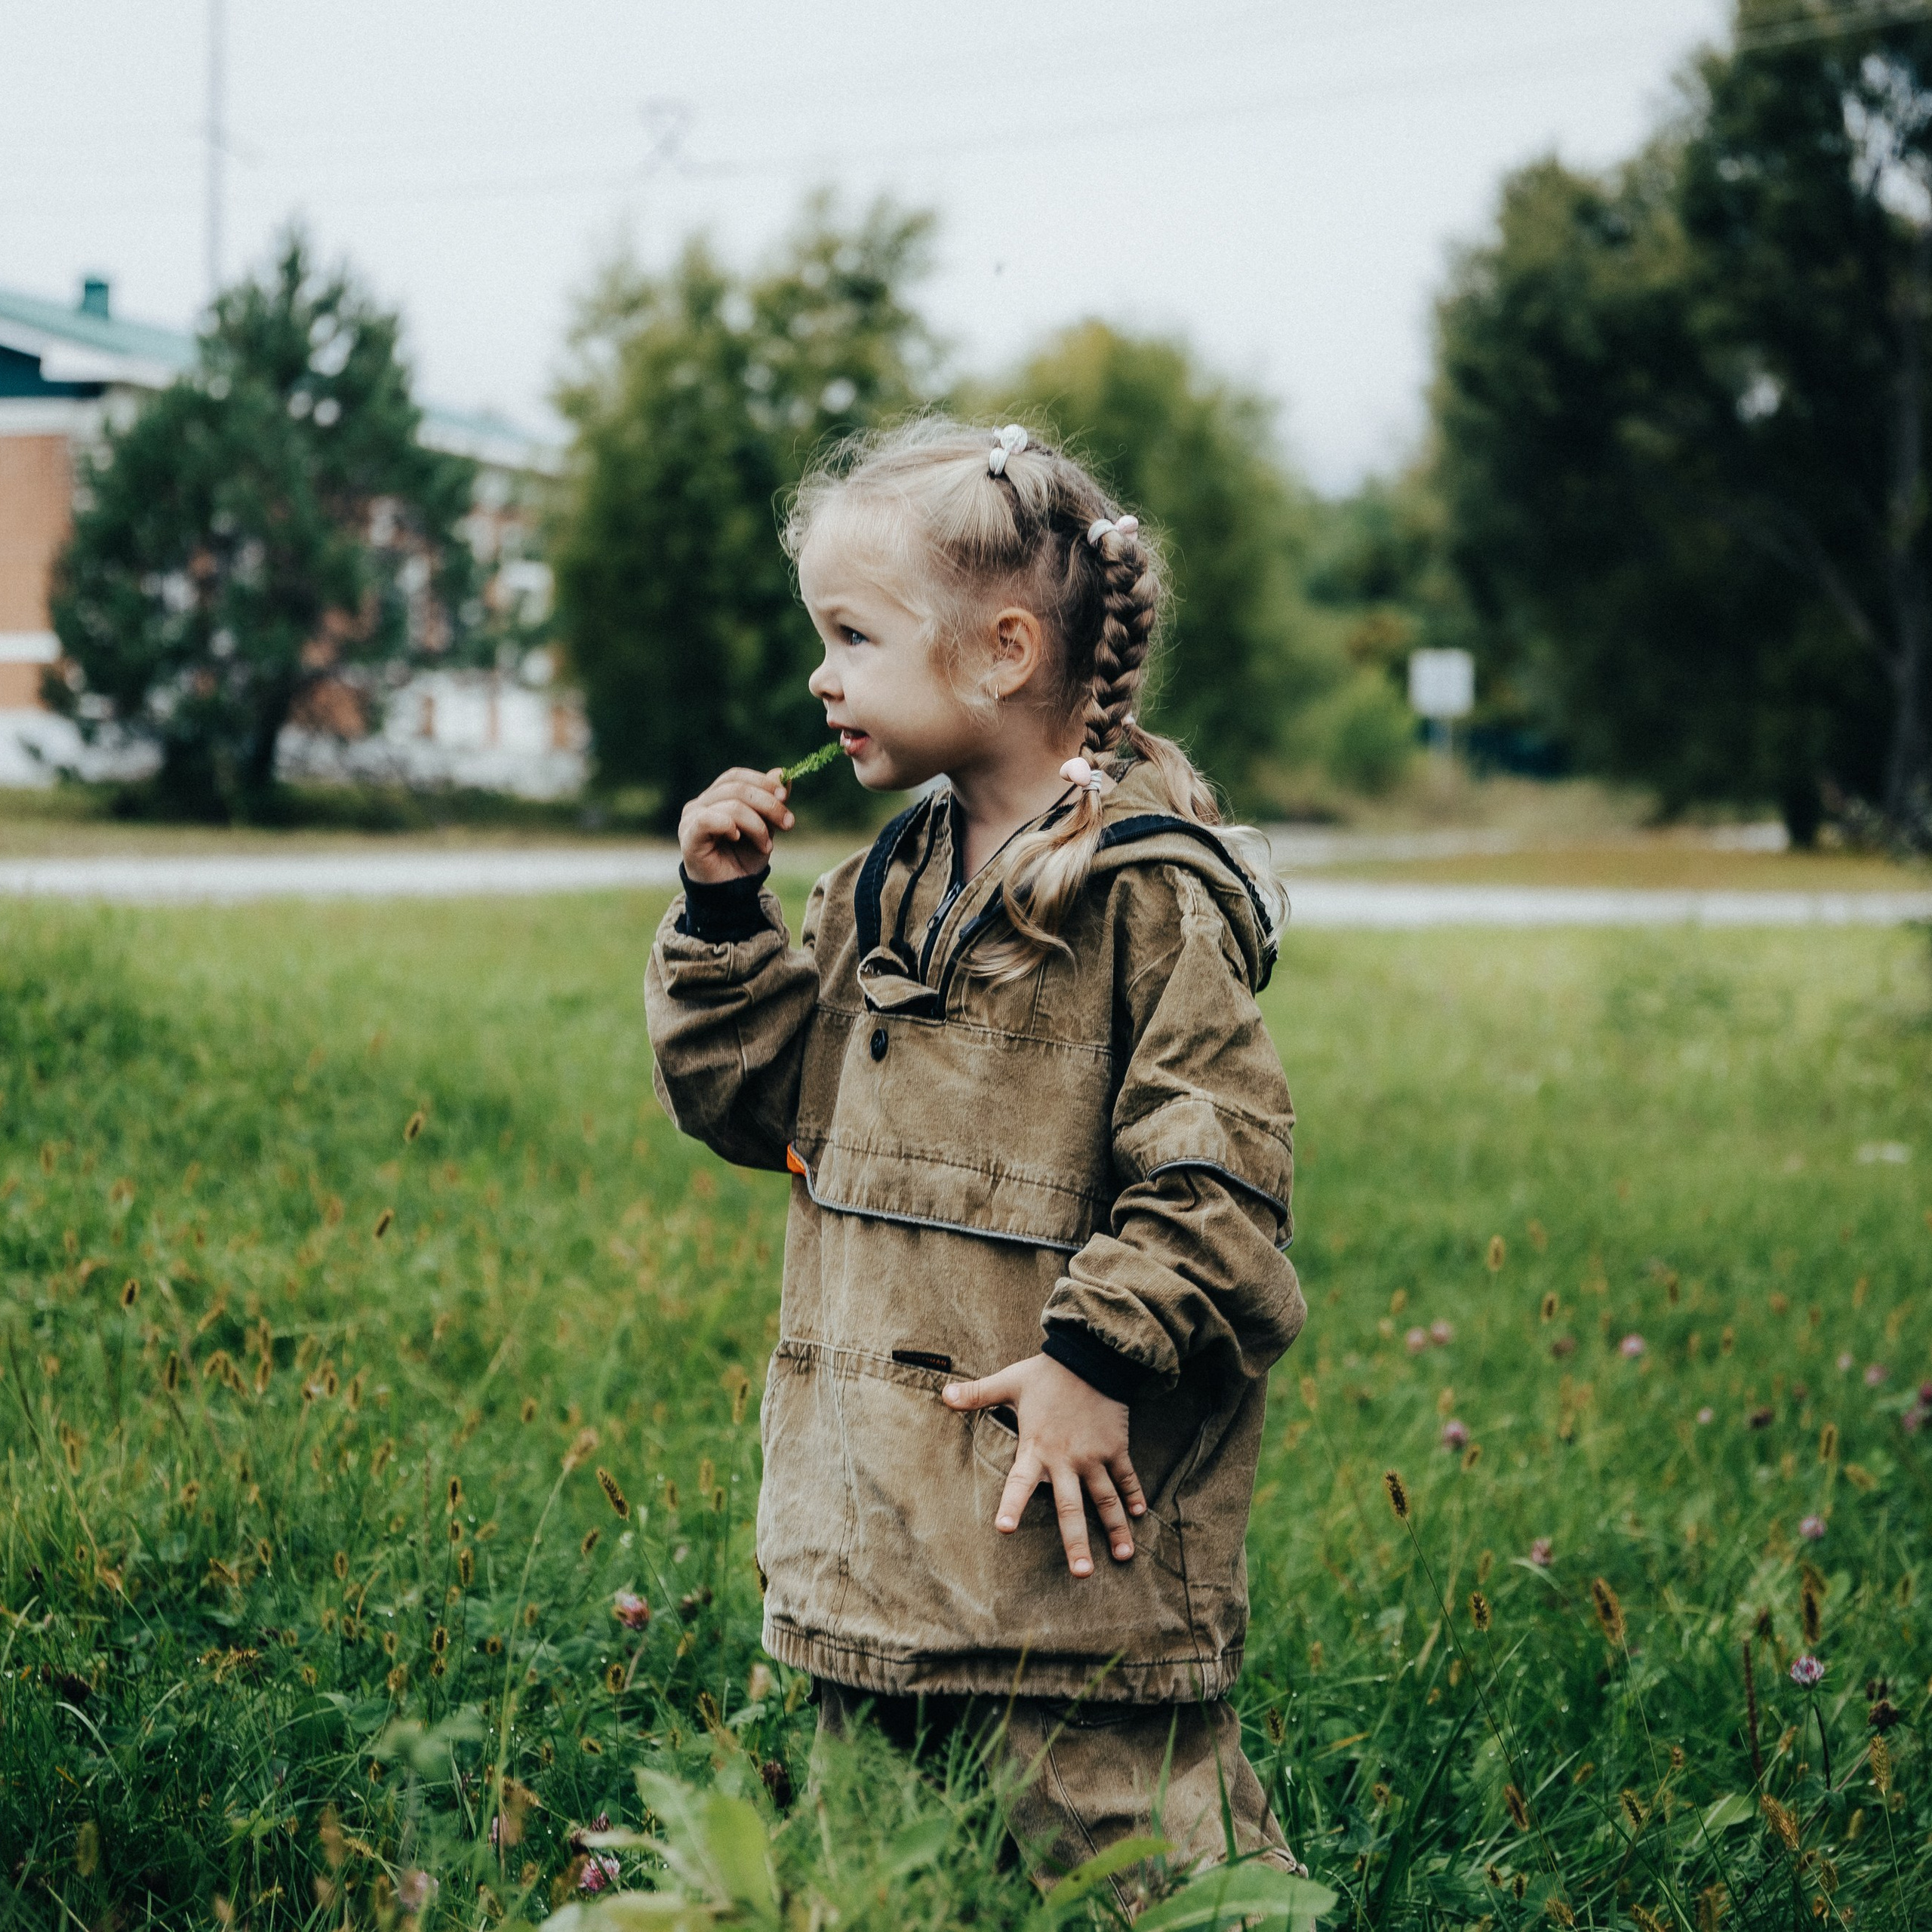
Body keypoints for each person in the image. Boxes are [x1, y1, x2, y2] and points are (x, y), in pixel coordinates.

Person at [645, 418, 1308, 1910]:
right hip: (869, 1552)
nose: (822, 677)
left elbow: (1217, 1180)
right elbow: (752, 1106)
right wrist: (717, 913)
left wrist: (1095, 1356)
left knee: (1144, 1871)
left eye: (853, 634)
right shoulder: (877, 884)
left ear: (1003, 650)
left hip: (1063, 1565)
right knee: (883, 1883)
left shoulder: (1146, 900)